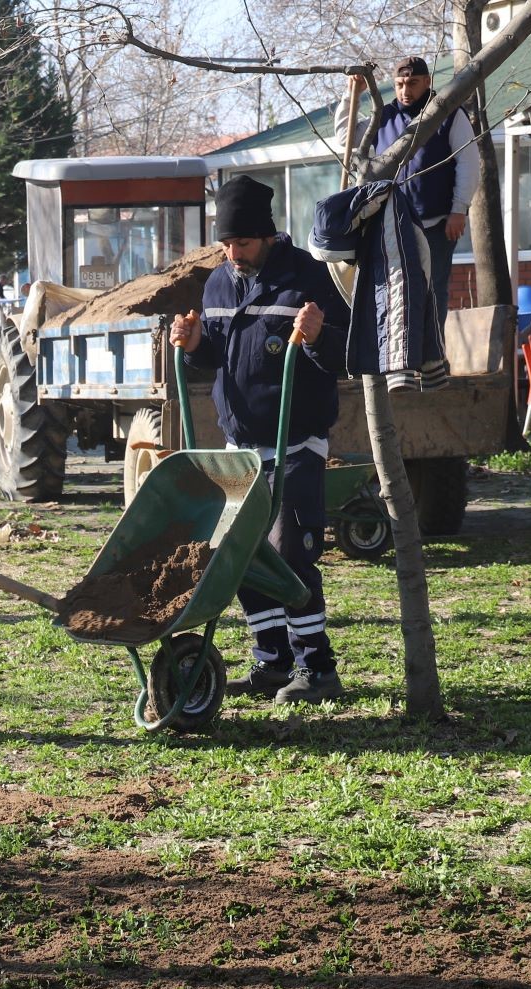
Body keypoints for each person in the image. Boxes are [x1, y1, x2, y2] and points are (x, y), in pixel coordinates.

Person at [171, 175, 351, 705]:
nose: (233, 254)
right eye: (225, 244)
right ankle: (272, 662)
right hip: (239, 446)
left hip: (295, 441)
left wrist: (319, 336)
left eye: (242, 244)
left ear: (268, 236)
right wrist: (198, 342)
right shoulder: (219, 283)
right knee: (239, 556)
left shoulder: (310, 278)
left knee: (290, 554)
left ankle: (317, 668)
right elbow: (218, 357)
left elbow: (342, 356)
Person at [340, 56, 481, 322]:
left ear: (427, 82)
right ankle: (403, 357)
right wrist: (352, 95)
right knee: (395, 294)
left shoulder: (448, 113)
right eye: (400, 84)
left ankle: (434, 359)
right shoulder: (384, 116)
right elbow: (345, 138)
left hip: (437, 225)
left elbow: (469, 161)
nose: (406, 91)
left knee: (433, 294)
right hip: (391, 225)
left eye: (413, 83)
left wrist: (459, 209)